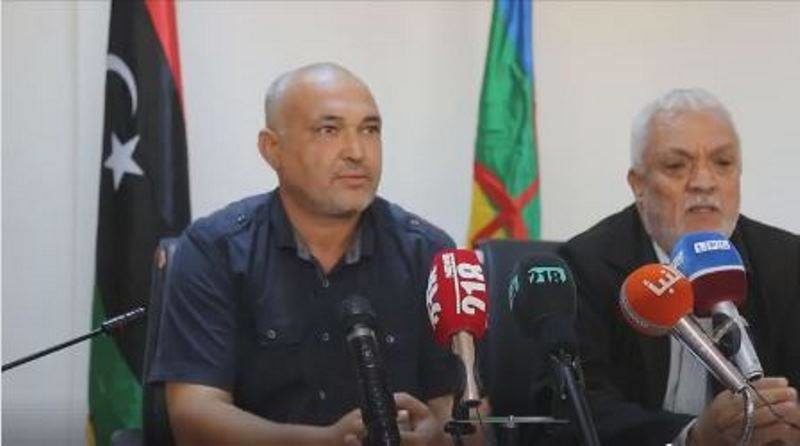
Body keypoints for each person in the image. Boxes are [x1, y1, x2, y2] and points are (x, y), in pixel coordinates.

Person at [149, 63, 473, 445]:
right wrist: (324, 442)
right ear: (273, 150)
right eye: (328, 130)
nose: (357, 152)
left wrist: (439, 436)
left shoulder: (430, 253)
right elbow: (193, 417)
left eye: (370, 130)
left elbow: (463, 410)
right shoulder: (214, 250)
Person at [558, 88, 800, 445]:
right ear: (638, 185)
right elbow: (574, 409)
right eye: (676, 165)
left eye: (723, 163)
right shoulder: (583, 267)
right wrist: (692, 437)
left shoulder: (788, 262)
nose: (704, 182)